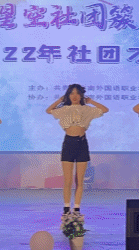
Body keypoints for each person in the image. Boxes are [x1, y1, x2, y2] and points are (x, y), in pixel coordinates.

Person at [46, 84, 109, 214]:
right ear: (68, 95)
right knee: (68, 180)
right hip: (68, 143)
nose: (74, 96)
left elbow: (105, 109)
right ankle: (66, 208)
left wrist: (91, 101)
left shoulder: (87, 109)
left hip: (82, 143)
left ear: (81, 95)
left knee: (79, 180)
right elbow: (48, 110)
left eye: (77, 93)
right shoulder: (64, 109)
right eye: (71, 93)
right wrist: (60, 100)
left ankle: (77, 208)